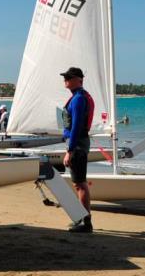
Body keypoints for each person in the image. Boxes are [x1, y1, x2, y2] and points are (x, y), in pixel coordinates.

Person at [60, 66, 94, 233]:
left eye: (69, 77)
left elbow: (77, 127)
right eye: (65, 77)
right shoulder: (77, 97)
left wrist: (70, 150)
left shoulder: (79, 98)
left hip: (78, 143)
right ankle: (83, 220)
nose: (66, 79)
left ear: (79, 80)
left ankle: (85, 222)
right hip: (79, 142)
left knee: (79, 184)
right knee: (79, 183)